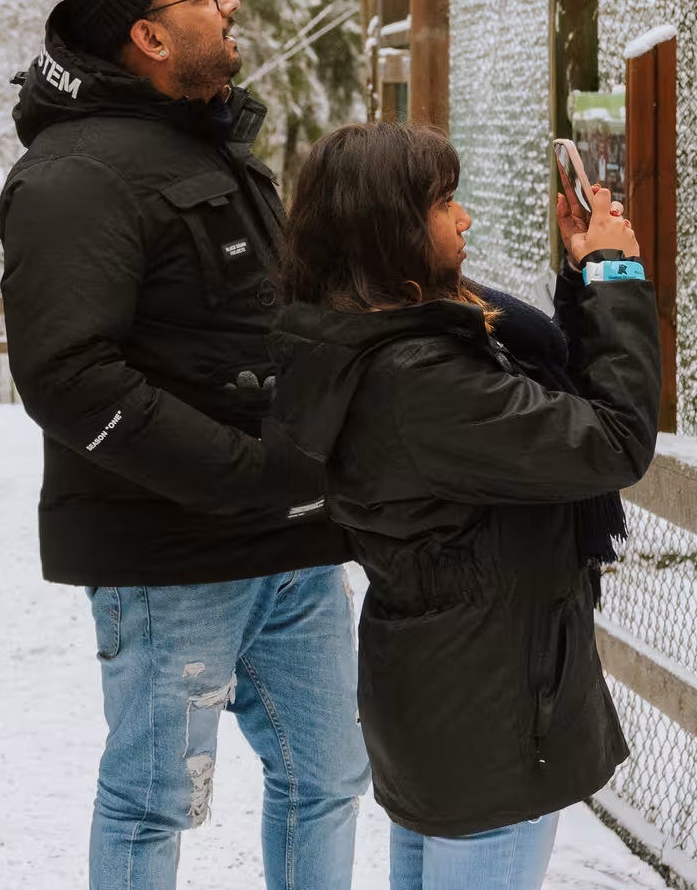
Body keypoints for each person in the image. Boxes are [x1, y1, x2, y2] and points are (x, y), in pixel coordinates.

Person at [0, 0, 370, 890]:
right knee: (156, 800)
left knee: (328, 777)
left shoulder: (207, 147)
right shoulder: (77, 175)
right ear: (150, 37)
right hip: (170, 558)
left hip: (293, 540)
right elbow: (68, 375)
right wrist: (244, 474)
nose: (230, 2)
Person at [267, 122, 661, 890]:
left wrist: (584, 282)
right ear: (390, 231)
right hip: (491, 721)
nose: (464, 218)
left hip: (443, 701)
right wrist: (617, 272)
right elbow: (611, 441)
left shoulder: (373, 347)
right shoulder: (423, 384)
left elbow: (539, 408)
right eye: (443, 202)